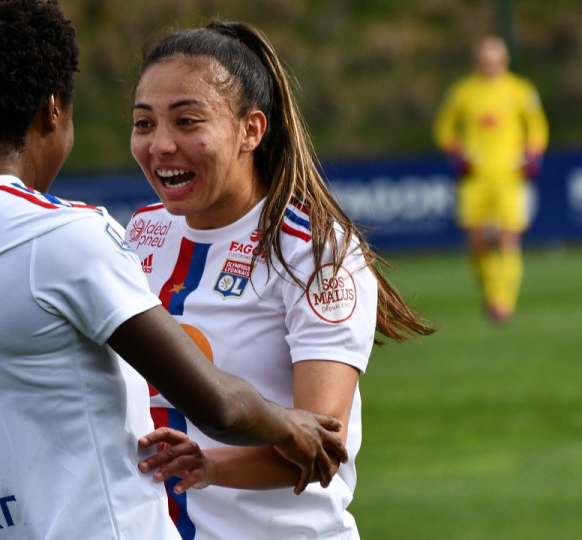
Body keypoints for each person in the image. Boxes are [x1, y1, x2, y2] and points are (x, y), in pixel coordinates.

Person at [0, 2, 349, 539]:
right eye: (143, 122)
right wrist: (286, 425)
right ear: (53, 108)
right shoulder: (67, 235)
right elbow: (218, 406)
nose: (159, 143)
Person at [122, 21, 435, 539]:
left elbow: (320, 445)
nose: (160, 145)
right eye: (143, 123)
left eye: (187, 121)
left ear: (252, 130)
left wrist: (210, 466)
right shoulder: (142, 231)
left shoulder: (314, 252)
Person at [433, 35, 549, 324]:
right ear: (477, 61)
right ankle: (490, 292)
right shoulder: (463, 92)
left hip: (509, 176)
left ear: (505, 61)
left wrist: (532, 154)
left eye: (496, 60)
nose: (491, 65)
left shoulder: (521, 91)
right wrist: (458, 152)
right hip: (475, 178)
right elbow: (444, 129)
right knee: (476, 242)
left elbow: (537, 128)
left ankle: (503, 301)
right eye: (486, 60)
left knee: (509, 238)